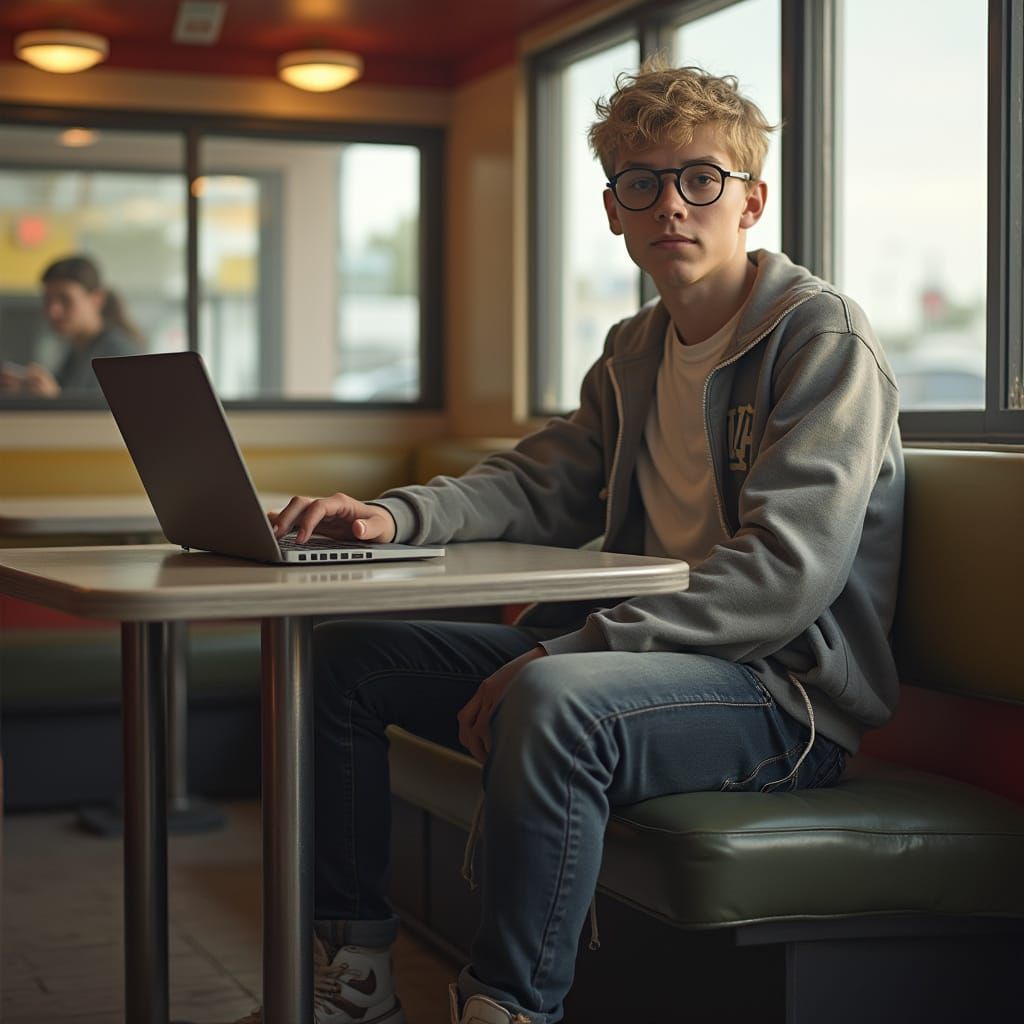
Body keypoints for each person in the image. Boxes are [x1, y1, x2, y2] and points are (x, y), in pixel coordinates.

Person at [231, 59, 904, 1024]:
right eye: (642, 182)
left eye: (700, 178)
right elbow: (538, 482)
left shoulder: (821, 340)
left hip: (782, 695)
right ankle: (358, 975)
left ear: (751, 200)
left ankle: (505, 1007)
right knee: (345, 658)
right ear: (613, 211)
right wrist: (393, 516)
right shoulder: (633, 350)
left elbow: (782, 580)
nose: (672, 203)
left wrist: (575, 648)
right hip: (637, 665)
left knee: (553, 696)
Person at [0, 254, 140, 397]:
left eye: (65, 300)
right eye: (48, 300)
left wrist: (54, 398)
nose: (53, 311)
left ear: (97, 299)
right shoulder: (77, 349)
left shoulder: (118, 354)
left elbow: (108, 416)